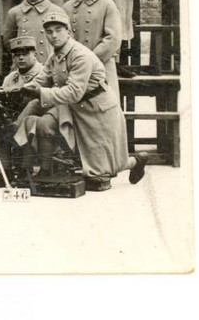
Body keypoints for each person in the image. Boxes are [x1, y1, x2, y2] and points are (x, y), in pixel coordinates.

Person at [18, 13, 151, 190]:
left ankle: (137, 161)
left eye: (58, 30)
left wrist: (40, 92)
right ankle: (45, 171)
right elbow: (41, 79)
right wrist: (19, 89)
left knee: (103, 171)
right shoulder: (54, 56)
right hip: (73, 106)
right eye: (49, 32)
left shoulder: (80, 55)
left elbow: (73, 92)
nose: (54, 36)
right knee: (44, 126)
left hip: (97, 108)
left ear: (68, 31)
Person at [0, 36, 44, 188]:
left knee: (24, 126)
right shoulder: (10, 78)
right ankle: (5, 170)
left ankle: (24, 170)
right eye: (16, 55)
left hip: (37, 116)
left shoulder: (43, 74)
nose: (20, 58)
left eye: (25, 53)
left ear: (35, 54)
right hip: (13, 117)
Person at [63, 0, 123, 95]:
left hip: (102, 65)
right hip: (75, 67)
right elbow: (64, 39)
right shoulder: (67, 7)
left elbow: (113, 38)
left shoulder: (107, 4)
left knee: (106, 105)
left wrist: (91, 59)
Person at [1, 0, 67, 65]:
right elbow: (8, 43)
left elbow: (66, 42)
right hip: (23, 67)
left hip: (49, 66)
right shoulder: (14, 12)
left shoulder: (57, 11)